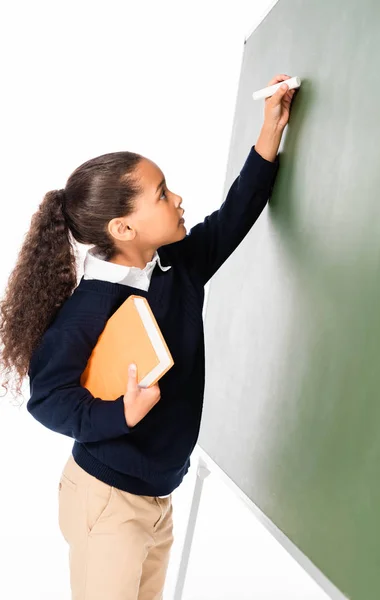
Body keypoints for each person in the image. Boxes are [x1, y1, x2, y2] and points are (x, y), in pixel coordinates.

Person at [0, 74, 295, 599]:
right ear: (123, 229)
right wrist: (120, 414)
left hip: (157, 501)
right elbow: (46, 400)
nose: (177, 197)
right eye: (161, 194)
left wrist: (270, 131)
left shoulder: (175, 268)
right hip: (107, 504)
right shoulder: (90, 307)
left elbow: (233, 217)